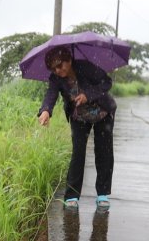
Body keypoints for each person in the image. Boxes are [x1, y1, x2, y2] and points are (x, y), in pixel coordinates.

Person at [37, 46, 116, 210]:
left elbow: (106, 82)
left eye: (60, 65)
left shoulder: (86, 66)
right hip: (79, 116)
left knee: (104, 151)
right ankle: (72, 196)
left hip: (102, 113)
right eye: (54, 68)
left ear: (69, 59)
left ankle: (102, 194)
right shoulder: (56, 78)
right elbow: (50, 95)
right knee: (78, 153)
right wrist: (45, 111)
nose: (58, 70)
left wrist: (88, 94)